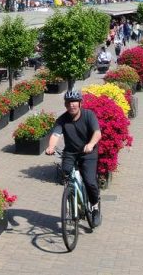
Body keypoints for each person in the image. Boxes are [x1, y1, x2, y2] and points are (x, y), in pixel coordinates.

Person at [45, 90, 103, 227]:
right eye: (69, 103)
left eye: (74, 102)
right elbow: (55, 134)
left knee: (90, 181)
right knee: (65, 172)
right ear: (65, 105)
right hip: (70, 153)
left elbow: (97, 133)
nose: (72, 105)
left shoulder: (89, 115)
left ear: (80, 103)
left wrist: (91, 144)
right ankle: (73, 198)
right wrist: (51, 147)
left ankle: (95, 207)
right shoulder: (62, 120)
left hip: (88, 152)